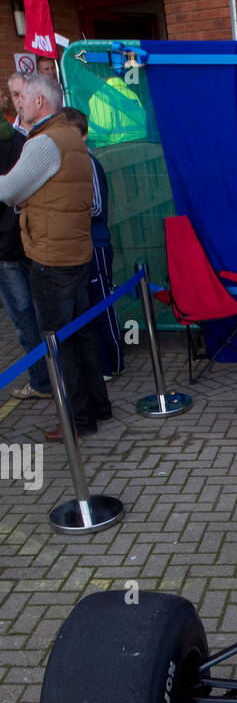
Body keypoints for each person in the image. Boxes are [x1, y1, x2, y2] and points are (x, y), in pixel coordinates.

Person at [0, 73, 111, 439]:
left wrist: (21, 197)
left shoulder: (45, 142)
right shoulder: (69, 137)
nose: (18, 104)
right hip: (75, 251)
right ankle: (98, 407)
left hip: (52, 258)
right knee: (81, 335)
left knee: (58, 342)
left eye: (23, 97)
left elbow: (9, 190)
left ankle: (79, 420)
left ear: (39, 102)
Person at [62, 107, 124, 378]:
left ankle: (113, 362)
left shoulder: (86, 161)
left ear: (80, 134)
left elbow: (96, 206)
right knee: (87, 306)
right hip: (78, 245)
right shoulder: (69, 161)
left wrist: (63, 211)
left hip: (96, 244)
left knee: (102, 303)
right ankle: (97, 362)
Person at [0, 110, 52, 399]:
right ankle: (56, 375)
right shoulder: (23, 140)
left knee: (24, 319)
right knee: (41, 311)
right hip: (29, 238)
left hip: (8, 247)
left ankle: (43, 381)